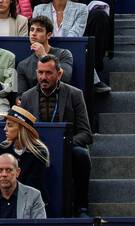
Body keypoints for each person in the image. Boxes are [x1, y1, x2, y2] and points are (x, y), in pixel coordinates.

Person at [16, 54, 93, 216]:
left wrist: (63, 144)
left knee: (81, 155)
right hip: (36, 149)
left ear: (59, 74)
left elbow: (86, 134)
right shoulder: (27, 97)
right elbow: (21, 131)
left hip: (67, 148)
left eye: (48, 73)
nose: (43, 77)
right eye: (40, 72)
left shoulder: (75, 94)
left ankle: (81, 207)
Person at [0, 153, 47, 220]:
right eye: (0, 170)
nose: (4, 174)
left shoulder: (34, 196)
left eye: (9, 170)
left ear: (18, 172)